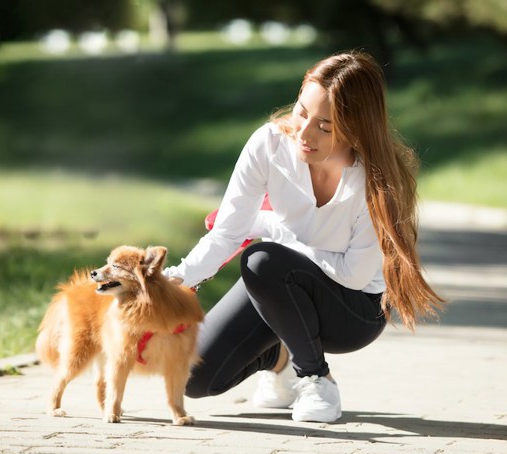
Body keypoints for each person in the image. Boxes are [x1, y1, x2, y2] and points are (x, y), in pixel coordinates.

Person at [164, 51, 444, 423]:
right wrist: (176, 278)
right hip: (281, 289)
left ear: (356, 127)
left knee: (262, 260)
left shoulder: (375, 180)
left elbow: (353, 275)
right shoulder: (269, 145)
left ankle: (316, 378)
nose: (304, 132)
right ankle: (278, 361)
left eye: (325, 126)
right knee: (193, 377)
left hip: (352, 311)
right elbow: (227, 233)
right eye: (301, 112)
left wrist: (268, 227)